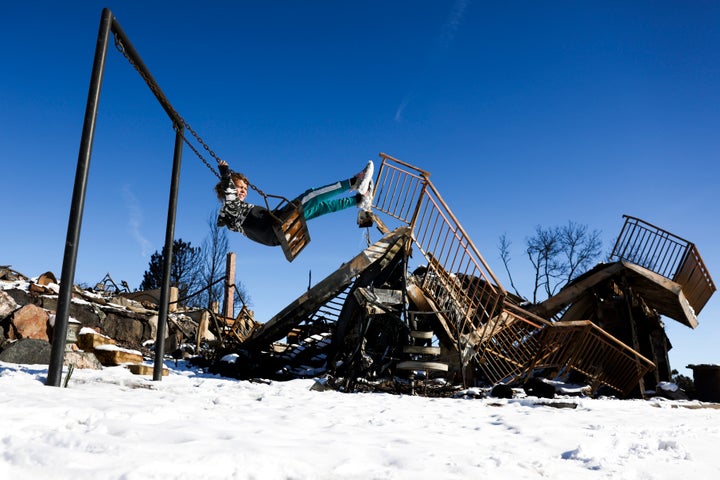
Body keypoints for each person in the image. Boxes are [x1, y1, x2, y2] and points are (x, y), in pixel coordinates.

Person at [215, 159, 375, 246]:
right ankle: (354, 181)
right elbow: (230, 194)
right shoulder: (230, 208)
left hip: (276, 227)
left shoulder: (234, 212)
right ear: (228, 187)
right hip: (275, 227)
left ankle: (359, 200)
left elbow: (232, 195)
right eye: (240, 187)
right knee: (312, 195)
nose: (244, 190)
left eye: (246, 188)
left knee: (319, 207)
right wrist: (225, 173)